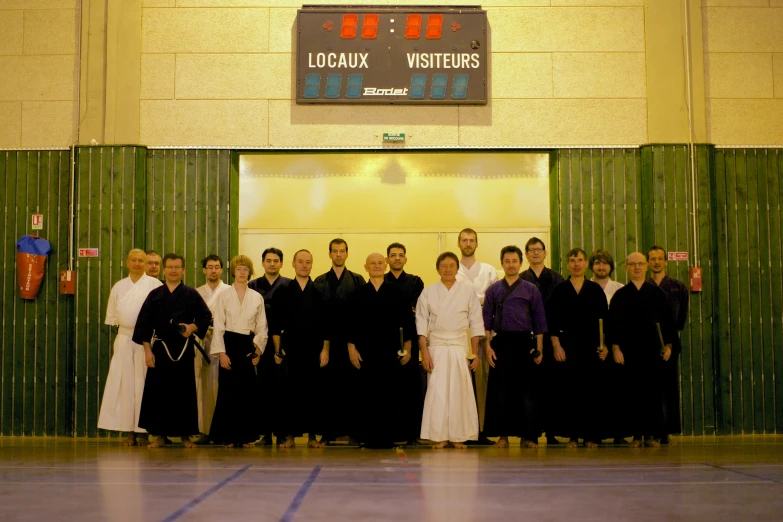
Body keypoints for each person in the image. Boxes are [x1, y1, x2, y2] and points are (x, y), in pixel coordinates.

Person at [133, 253, 212, 448]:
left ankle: (186, 436)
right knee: (158, 392)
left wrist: (192, 328)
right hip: (160, 348)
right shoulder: (155, 295)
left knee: (184, 392)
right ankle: (159, 436)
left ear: (183, 269)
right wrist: (147, 351)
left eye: (177, 267)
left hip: (183, 348)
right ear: (164, 269)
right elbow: (144, 324)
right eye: (170, 267)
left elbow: (205, 317)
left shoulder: (191, 294)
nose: (174, 270)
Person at [347, 253, 416, 449]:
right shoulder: (358, 293)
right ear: (365, 267)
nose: (376, 266)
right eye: (372, 263)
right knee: (366, 396)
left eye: (380, 263)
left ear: (385, 265)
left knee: (390, 395)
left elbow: (407, 323)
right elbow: (350, 325)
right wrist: (351, 349)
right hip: (365, 353)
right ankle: (368, 437)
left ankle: (388, 437)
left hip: (391, 353)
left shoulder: (398, 292)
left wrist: (408, 349)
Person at [608, 252, 676, 448]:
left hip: (653, 352)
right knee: (631, 394)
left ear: (646, 266)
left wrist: (669, 346)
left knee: (652, 394)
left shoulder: (658, 294)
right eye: (632, 264)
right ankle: (636, 436)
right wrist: (615, 348)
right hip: (628, 353)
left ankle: (651, 435)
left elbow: (668, 324)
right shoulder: (620, 295)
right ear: (626, 267)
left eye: (640, 264)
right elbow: (613, 325)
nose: (636, 267)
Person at [416, 252, 484, 449]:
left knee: (460, 391)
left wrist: (474, 353)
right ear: (438, 269)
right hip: (436, 347)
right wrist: (425, 353)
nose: (447, 269)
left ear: (457, 268)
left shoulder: (467, 291)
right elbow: (421, 324)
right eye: (443, 266)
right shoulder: (428, 292)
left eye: (451, 266)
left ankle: (458, 435)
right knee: (437, 392)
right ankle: (440, 436)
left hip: (458, 347)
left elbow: (476, 323)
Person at [483, 246, 547, 448]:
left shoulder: (531, 289)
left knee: (527, 393)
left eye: (514, 261)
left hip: (524, 344)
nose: (511, 265)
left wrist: (540, 349)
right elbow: (485, 323)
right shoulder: (493, 290)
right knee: (501, 392)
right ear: (502, 264)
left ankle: (528, 436)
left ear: (521, 263)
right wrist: (487, 348)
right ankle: (502, 436)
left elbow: (539, 323)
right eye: (507, 261)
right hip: (501, 343)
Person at [97, 249, 162, 446]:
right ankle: (128, 432)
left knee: (144, 385)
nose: (137, 263)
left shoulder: (155, 285)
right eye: (133, 260)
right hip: (125, 339)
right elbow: (113, 317)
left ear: (146, 263)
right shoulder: (119, 287)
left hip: (146, 342)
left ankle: (143, 431)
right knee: (125, 385)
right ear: (127, 262)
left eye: (141, 260)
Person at [548, 248, 610, 447]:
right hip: (567, 346)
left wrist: (605, 346)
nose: (576, 264)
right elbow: (551, 322)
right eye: (573, 260)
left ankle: (591, 435)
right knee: (569, 392)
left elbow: (605, 320)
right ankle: (573, 436)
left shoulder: (595, 290)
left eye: (580, 260)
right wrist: (556, 345)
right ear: (567, 264)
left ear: (586, 264)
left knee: (591, 392)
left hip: (591, 347)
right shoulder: (559, 290)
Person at [272, 249, 329, 449]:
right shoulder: (283, 291)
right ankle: (290, 436)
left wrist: (325, 350)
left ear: (312, 265)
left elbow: (326, 325)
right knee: (290, 394)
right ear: (293, 264)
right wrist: (278, 350)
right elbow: (276, 324)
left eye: (308, 262)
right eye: (301, 262)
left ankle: (312, 437)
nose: (304, 265)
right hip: (291, 349)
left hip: (314, 349)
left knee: (313, 393)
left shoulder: (320, 291)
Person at [209, 255, 267, 448]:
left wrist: (258, 350)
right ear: (233, 271)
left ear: (250, 272)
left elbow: (262, 327)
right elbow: (218, 326)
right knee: (228, 391)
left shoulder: (256, 297)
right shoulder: (224, 296)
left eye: (245, 269)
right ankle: (227, 436)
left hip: (247, 345)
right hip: (229, 344)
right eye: (239, 269)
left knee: (247, 392)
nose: (242, 272)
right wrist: (221, 353)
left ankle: (246, 436)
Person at [314, 239, 365, 444]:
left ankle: (352, 431)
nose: (338, 254)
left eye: (342, 251)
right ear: (329, 254)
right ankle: (328, 432)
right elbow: (317, 315)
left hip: (351, 339)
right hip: (327, 341)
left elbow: (362, 313)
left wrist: (355, 343)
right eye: (334, 251)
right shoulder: (319, 281)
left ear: (347, 254)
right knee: (327, 388)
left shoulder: (357, 279)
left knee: (352, 387)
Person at [455, 228, 499, 445]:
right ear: (458, 243)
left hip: (483, 328)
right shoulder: (453, 270)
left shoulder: (489, 270)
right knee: (460, 380)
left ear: (477, 243)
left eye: (472, 240)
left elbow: (496, 303)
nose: (468, 243)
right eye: (464, 240)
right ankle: (460, 429)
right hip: (458, 330)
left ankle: (481, 428)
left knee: (482, 381)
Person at [520, 237, 564, 444]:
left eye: (539, 249)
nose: (535, 253)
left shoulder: (556, 279)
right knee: (529, 388)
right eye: (531, 250)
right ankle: (530, 432)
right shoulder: (520, 279)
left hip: (551, 338)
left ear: (545, 253)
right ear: (526, 255)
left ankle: (552, 432)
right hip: (527, 339)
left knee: (552, 387)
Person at [248, 247, 291, 446]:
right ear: (263, 263)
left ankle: (282, 433)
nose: (272, 263)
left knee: (282, 390)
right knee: (262, 389)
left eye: (276, 260)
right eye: (268, 260)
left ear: (281, 263)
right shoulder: (253, 285)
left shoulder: (289, 286)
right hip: (260, 344)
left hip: (282, 344)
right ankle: (265, 434)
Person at [383, 242, 425, 445]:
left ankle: (411, 434)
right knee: (388, 387)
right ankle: (389, 432)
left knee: (410, 388)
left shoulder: (415, 282)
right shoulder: (380, 281)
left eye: (400, 255)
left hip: (410, 337)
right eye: (393, 255)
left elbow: (417, 311)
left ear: (405, 259)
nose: (397, 258)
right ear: (387, 259)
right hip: (386, 341)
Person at [647, 246, 689, 444]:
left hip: (670, 342)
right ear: (647, 262)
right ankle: (651, 429)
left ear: (665, 262)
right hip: (647, 343)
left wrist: (670, 343)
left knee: (669, 387)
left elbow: (680, 319)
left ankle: (667, 430)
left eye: (660, 259)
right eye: (652, 259)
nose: (656, 262)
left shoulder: (677, 287)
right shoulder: (642, 287)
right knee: (650, 387)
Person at [194, 254, 229, 443]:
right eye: (210, 267)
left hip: (223, 342)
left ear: (222, 269)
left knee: (222, 386)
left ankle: (222, 430)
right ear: (204, 270)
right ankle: (204, 431)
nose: (213, 270)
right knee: (203, 387)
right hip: (203, 341)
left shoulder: (229, 291)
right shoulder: (196, 292)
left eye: (217, 266)